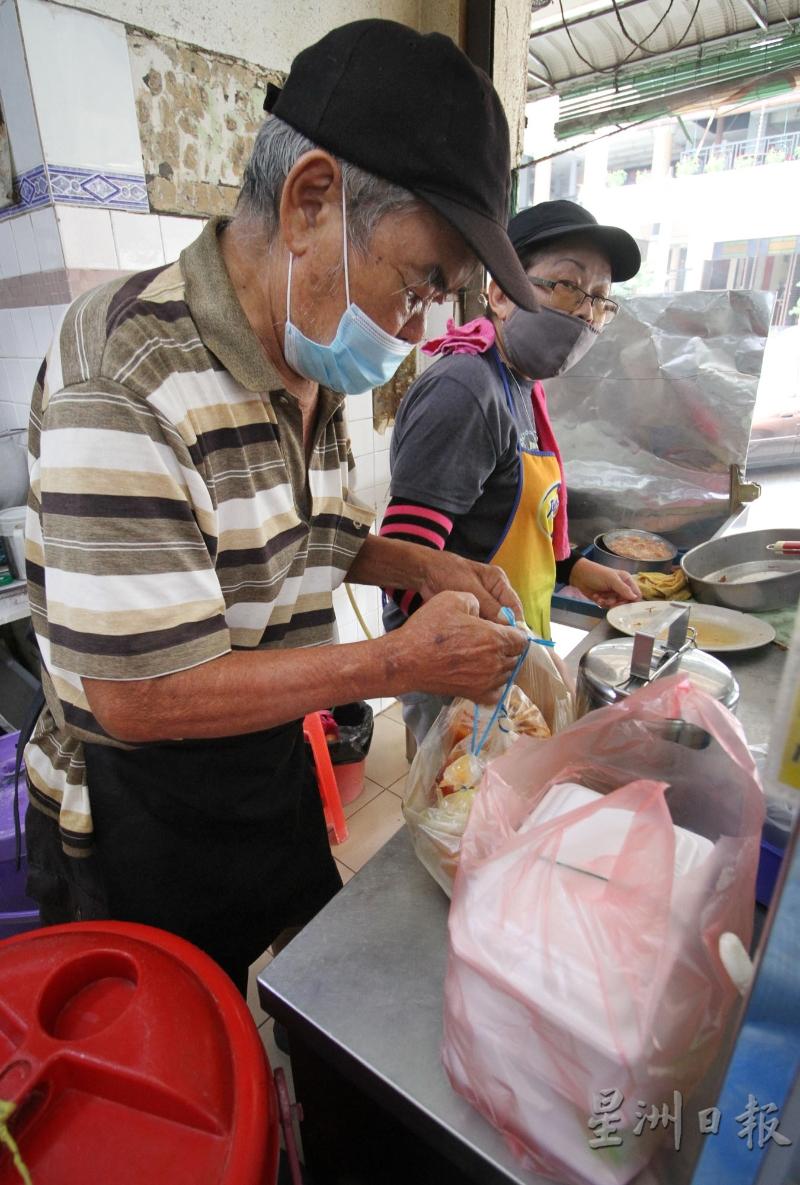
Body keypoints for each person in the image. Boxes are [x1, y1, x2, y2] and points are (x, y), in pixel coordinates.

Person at [22, 20, 537, 993]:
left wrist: (419, 564)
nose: (422, 325)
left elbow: (310, 534)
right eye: (420, 282)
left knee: (313, 1006)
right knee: (188, 1075)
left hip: (265, 764)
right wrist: (397, 660)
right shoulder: (127, 373)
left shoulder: (309, 355)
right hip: (138, 812)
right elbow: (140, 698)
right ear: (310, 200)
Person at [382, 200, 643, 743]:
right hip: (464, 671)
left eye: (599, 301)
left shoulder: (520, 385)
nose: (585, 317)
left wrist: (573, 570)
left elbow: (504, 518)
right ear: (500, 292)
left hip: (513, 652)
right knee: (461, 814)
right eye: (569, 288)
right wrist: (475, 662)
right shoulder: (466, 391)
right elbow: (406, 564)